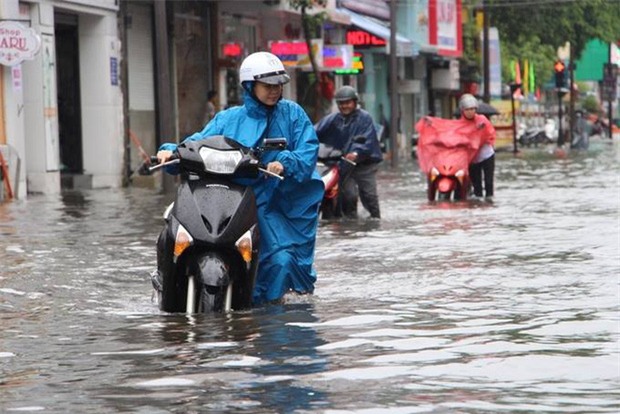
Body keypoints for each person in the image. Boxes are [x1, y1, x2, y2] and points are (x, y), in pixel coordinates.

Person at [156, 51, 324, 305]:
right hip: (231, 199)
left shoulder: (293, 115)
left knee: (281, 261)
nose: (274, 91)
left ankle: (273, 320)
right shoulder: (228, 118)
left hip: (279, 203)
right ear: (249, 85)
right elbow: (198, 142)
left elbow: (308, 150)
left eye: (278, 85)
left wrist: (284, 162)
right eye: (268, 86)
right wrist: (171, 152)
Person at [314, 85, 383, 219]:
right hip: (343, 165)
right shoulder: (333, 119)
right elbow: (314, 131)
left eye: (347, 102)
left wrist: (356, 153)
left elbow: (368, 141)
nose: (344, 106)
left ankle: (374, 219)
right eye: (341, 103)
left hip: (364, 165)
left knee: (370, 196)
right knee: (348, 195)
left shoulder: (365, 118)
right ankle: (350, 223)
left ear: (355, 102)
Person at [459, 94, 496, 198]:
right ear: (463, 110)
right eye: (468, 109)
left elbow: (491, 134)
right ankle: (478, 205)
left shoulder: (482, 120)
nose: (470, 112)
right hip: (472, 158)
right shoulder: (460, 124)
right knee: (476, 185)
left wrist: (481, 136)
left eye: (472, 109)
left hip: (486, 155)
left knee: (489, 182)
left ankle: (489, 202)